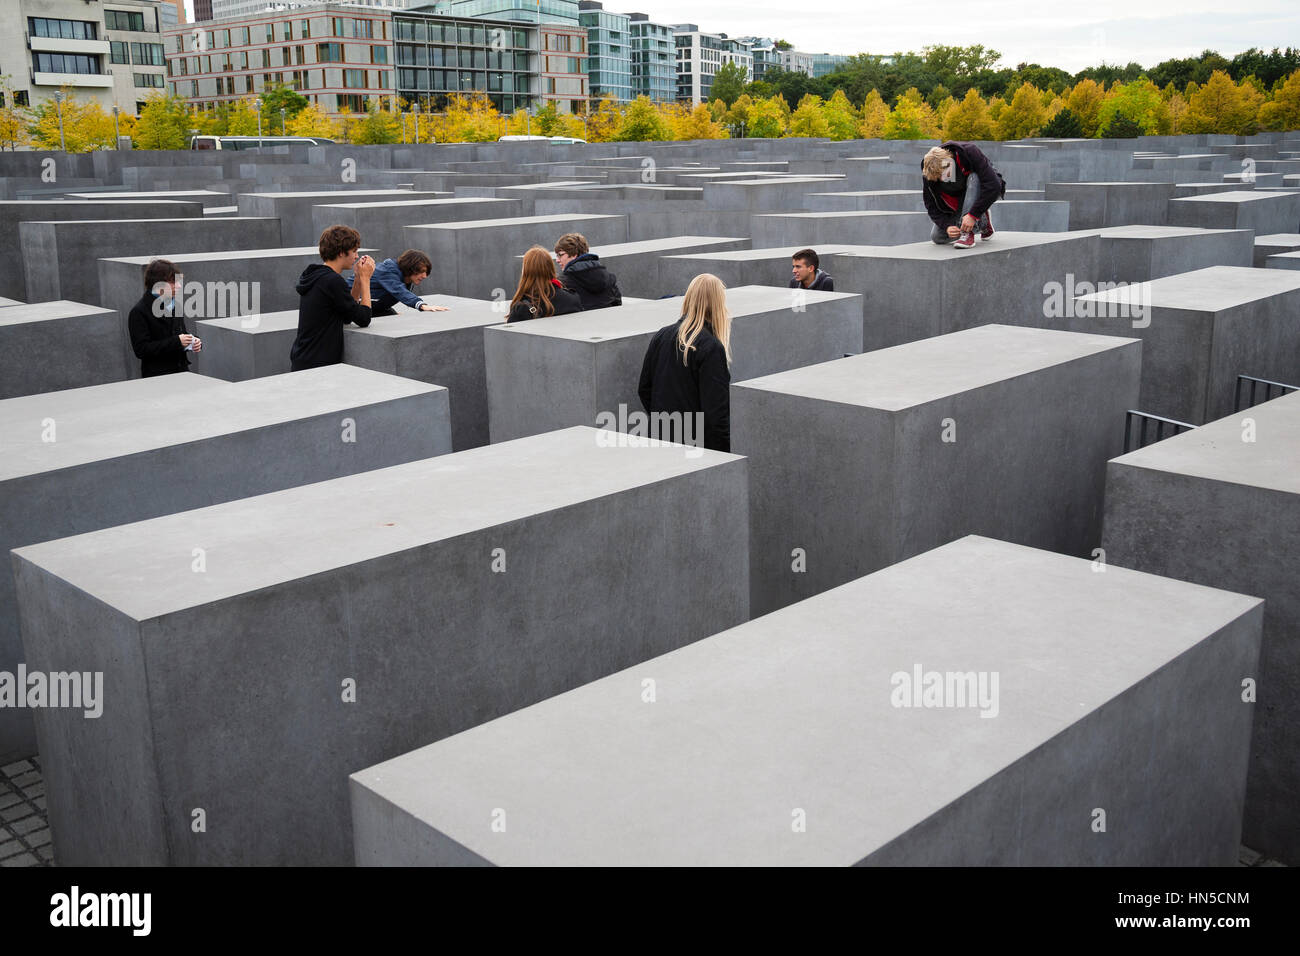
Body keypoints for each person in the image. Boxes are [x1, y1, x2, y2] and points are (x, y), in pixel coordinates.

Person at [637, 273, 732, 453]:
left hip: (659, 438)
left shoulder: (661, 335)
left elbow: (644, 388)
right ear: (718, 305)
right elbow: (716, 414)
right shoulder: (711, 347)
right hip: (694, 448)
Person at [290, 225, 374, 371]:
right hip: (319, 365)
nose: (356, 256)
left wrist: (358, 280)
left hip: (304, 358)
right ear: (341, 253)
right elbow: (364, 318)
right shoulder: (332, 281)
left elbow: (348, 314)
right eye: (354, 251)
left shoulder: (317, 276)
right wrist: (366, 279)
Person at [921, 142, 1006, 248]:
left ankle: (968, 233)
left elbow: (994, 185)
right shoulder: (929, 170)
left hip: (977, 191)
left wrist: (973, 215)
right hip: (957, 203)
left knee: (974, 177)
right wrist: (947, 226)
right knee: (938, 237)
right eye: (938, 178)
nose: (942, 179)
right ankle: (983, 221)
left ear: (949, 162)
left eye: (943, 174)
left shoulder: (969, 152)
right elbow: (930, 205)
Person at [127, 258, 201, 377]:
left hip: (182, 373)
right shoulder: (138, 312)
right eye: (173, 282)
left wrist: (193, 342)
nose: (178, 286)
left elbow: (181, 334)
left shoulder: (175, 305)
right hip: (158, 379)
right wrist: (177, 341)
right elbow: (141, 350)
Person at [345, 248, 449, 317]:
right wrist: (421, 305)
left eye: (426, 273)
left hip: (373, 306)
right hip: (348, 303)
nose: (424, 276)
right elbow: (399, 291)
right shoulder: (388, 271)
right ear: (410, 267)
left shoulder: (404, 277)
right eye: (421, 272)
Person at [507, 246, 584, 323]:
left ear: (526, 272)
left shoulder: (521, 308)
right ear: (551, 268)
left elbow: (507, 334)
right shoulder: (572, 299)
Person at [554, 232, 622, 310]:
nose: (557, 260)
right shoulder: (609, 277)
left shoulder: (564, 282)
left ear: (574, 254)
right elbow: (617, 303)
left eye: (560, 255)